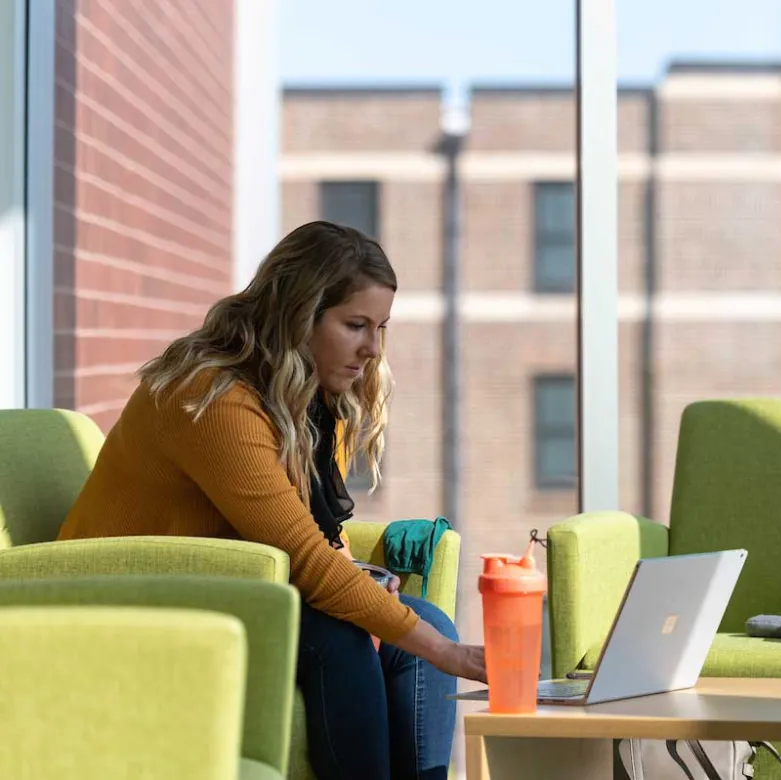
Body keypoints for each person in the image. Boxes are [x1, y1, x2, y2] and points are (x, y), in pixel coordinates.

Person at [58, 220, 486, 780]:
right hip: (126, 600)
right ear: (298, 315)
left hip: (224, 585)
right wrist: (447, 655)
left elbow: (307, 531)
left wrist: (371, 587)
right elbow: (305, 560)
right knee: (342, 635)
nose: (372, 349)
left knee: (425, 620)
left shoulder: (307, 397)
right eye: (355, 325)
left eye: (380, 327)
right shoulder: (211, 396)